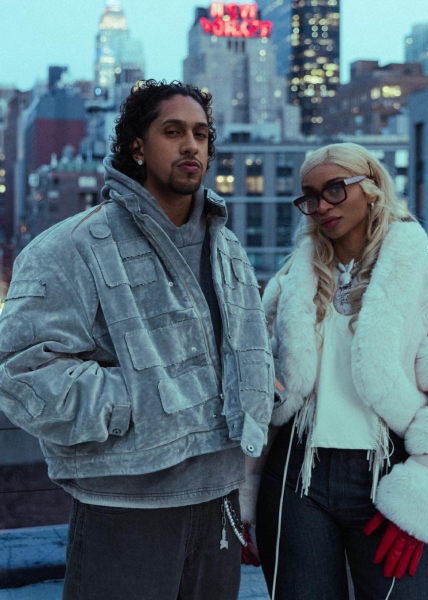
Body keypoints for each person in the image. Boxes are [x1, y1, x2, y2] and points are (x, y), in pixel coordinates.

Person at [0, 80, 274, 600]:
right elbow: (21, 373)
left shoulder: (229, 249)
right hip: (124, 507)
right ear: (137, 146)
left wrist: (257, 385)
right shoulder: (71, 246)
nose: (191, 145)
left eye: (201, 134)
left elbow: (246, 344)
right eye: (173, 131)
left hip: (219, 501)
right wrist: (139, 401)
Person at [253, 142, 428, 600]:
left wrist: (422, 496)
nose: (322, 205)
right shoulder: (288, 282)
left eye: (336, 188)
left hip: (388, 472)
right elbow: (260, 393)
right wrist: (242, 494)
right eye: (310, 196)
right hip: (295, 474)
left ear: (372, 187)